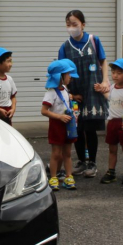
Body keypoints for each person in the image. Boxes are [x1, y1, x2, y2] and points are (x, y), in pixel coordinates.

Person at [59, 10, 110, 179]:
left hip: (93, 90)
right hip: (75, 93)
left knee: (90, 129)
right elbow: (60, 73)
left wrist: (105, 81)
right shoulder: (65, 47)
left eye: (74, 24)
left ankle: (92, 163)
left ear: (83, 24)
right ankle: (81, 161)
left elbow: (103, 61)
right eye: (68, 25)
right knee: (77, 129)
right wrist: (70, 95)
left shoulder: (94, 41)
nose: (71, 28)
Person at [41, 59, 79, 191]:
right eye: (68, 74)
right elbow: (44, 111)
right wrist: (59, 117)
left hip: (68, 125)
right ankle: (53, 177)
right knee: (56, 153)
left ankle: (69, 177)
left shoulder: (66, 90)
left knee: (67, 153)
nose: (70, 77)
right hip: (57, 126)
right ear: (60, 76)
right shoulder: (50, 93)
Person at [101, 59, 123, 185]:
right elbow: (109, 98)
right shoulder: (112, 88)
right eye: (113, 72)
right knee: (112, 149)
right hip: (112, 123)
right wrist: (102, 90)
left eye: (119, 73)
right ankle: (111, 172)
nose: (115, 75)